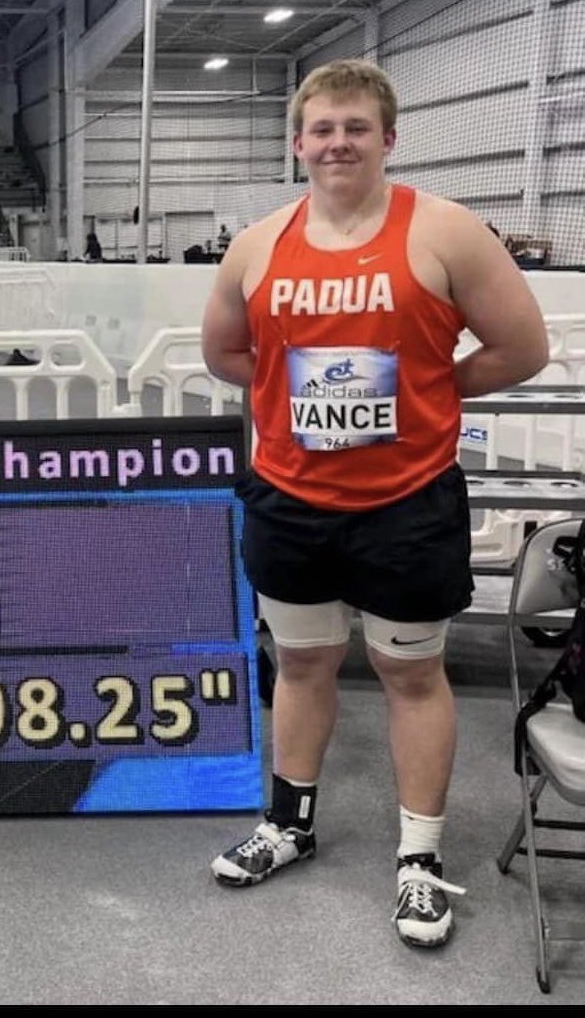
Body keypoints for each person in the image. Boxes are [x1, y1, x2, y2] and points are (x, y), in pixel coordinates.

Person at [200, 58, 548, 950]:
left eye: (355, 127)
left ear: (388, 138)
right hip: (290, 498)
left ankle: (420, 860)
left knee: (409, 674)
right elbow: (226, 356)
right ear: (297, 142)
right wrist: (289, 405)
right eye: (321, 128)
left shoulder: (445, 232)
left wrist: (433, 388)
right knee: (305, 663)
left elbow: (521, 345)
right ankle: (290, 824)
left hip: (405, 503)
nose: (337, 142)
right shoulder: (260, 242)